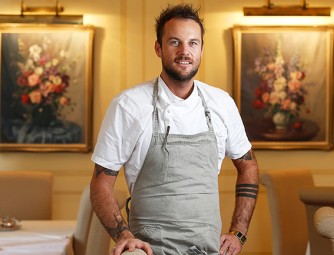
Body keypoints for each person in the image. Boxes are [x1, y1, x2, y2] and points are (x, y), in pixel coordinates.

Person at [90, 3, 259, 255]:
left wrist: (239, 232)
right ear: (158, 48)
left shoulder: (221, 103)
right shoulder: (129, 105)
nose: (184, 51)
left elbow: (248, 165)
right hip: (148, 250)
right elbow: (100, 185)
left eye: (193, 43)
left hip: (208, 250)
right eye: (174, 42)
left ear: (201, 49)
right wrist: (124, 235)